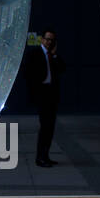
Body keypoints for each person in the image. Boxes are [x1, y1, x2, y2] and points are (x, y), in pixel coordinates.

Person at [23, 28, 64, 167]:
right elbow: (28, 73)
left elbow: (63, 69)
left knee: (50, 127)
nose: (49, 42)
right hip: (41, 94)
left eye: (52, 40)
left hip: (51, 94)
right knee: (45, 125)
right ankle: (40, 158)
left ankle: (45, 155)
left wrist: (54, 55)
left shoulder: (53, 55)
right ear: (42, 39)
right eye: (47, 39)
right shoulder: (34, 53)